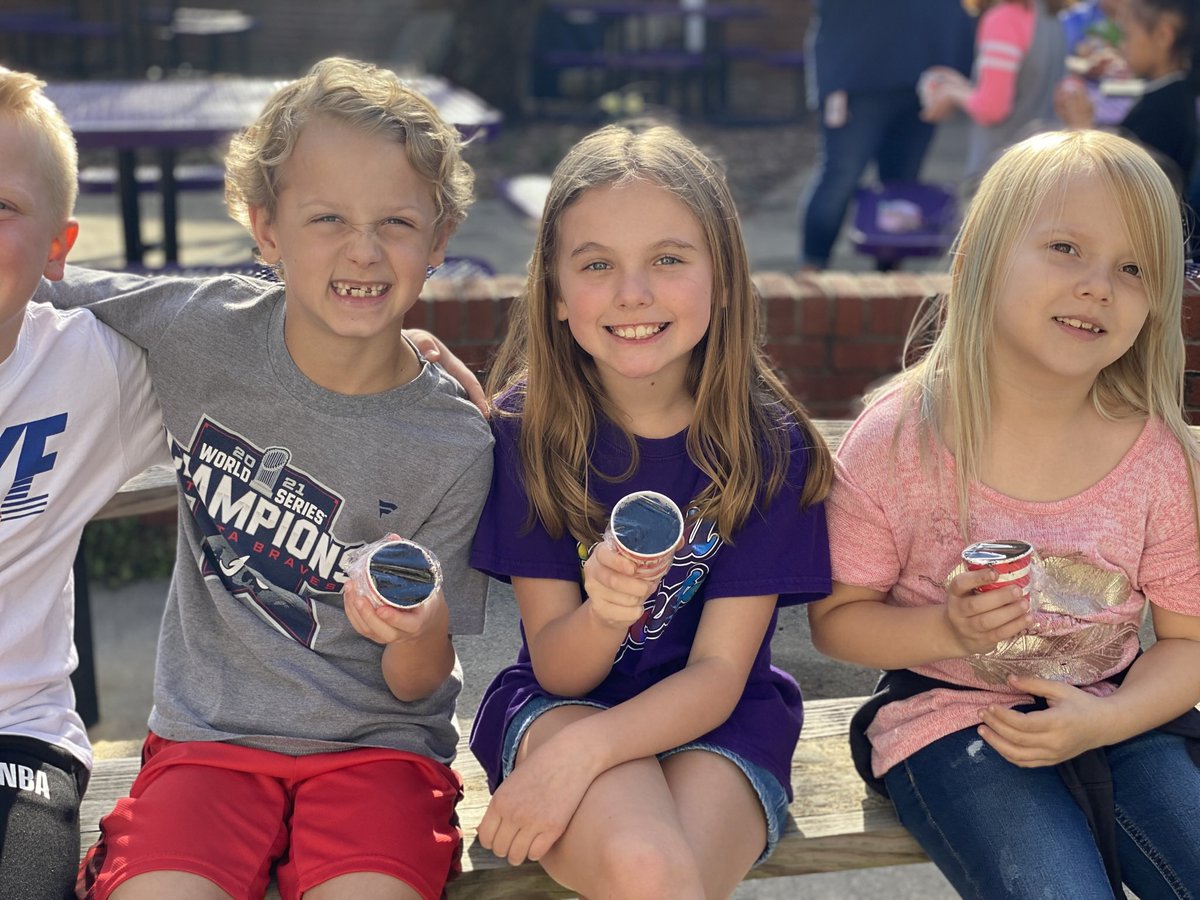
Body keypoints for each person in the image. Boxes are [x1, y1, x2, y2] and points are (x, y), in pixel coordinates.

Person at [36, 57, 494, 900]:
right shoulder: (200, 328)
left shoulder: (454, 443)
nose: (363, 249)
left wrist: (417, 625)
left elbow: (421, 682)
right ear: (266, 229)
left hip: (380, 750)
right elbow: (40, 277)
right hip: (204, 744)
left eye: (396, 221)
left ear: (440, 238)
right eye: (326, 217)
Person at [809, 129, 1200, 898]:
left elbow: (1187, 646)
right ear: (975, 263)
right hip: (948, 723)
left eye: (1133, 267)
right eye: (1065, 247)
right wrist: (944, 631)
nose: (1099, 285)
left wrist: (1105, 722)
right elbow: (837, 617)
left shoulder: (1158, 459)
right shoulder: (899, 440)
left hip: (1119, 713)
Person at [467, 122, 834, 897]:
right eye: (597, 265)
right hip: (562, 703)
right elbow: (563, 668)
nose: (633, 293)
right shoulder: (526, 430)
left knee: (663, 876)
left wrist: (581, 758)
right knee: (648, 868)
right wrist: (605, 612)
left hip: (721, 721)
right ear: (557, 296)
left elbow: (717, 673)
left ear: (724, 277)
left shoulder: (766, 444)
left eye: (668, 259)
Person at [0, 66, 166, 900]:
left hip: (16, 738)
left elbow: (249, 339)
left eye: (2, 207)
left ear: (59, 247)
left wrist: (376, 355)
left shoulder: (88, 368)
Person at [798, 0, 976, 270]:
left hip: (925, 80)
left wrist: (957, 74)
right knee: (839, 177)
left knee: (901, 188)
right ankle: (809, 276)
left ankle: (888, 282)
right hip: (857, 77)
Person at [1056, 0, 1200, 194]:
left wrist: (1084, 130)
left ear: (1163, 35)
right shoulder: (1171, 96)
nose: (1121, 46)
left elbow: (1127, 195)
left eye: (1127, 35)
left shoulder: (1166, 113)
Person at [920, 0, 1071, 184]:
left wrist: (951, 93)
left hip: (1000, 171)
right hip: (1044, 164)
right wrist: (961, 87)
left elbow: (992, 108)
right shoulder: (1051, 16)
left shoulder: (1004, 20)